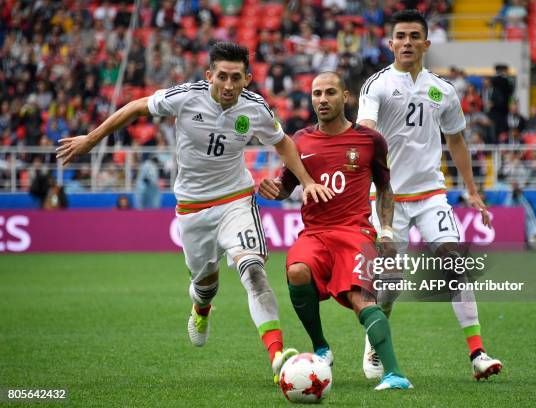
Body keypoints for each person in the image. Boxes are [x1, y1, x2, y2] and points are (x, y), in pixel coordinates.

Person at [56, 42, 333, 384]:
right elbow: (136, 107)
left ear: (247, 78)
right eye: (222, 76)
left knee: (254, 270)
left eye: (236, 77)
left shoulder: (255, 107)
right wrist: (91, 140)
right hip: (192, 207)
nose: (229, 85)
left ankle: (278, 357)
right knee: (205, 285)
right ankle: (201, 309)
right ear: (209, 75)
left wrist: (305, 182)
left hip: (236, 199)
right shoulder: (187, 96)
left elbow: (283, 142)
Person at [356, 9, 503, 381]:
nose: (406, 42)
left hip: (431, 194)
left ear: (425, 43)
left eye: (413, 36)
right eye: (400, 36)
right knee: (390, 284)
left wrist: (471, 190)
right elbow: (366, 131)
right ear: (390, 44)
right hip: (388, 200)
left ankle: (478, 354)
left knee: (455, 264)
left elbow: (456, 140)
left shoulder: (443, 90)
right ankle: (377, 341)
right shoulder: (376, 86)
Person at [259, 71, 412, 391]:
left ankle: (395, 374)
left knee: (361, 299)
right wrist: (276, 189)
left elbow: (385, 188)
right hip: (315, 233)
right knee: (297, 270)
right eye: (316, 94)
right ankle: (321, 347)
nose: (322, 100)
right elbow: (289, 185)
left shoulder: (370, 140)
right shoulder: (300, 140)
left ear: (346, 97)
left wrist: (385, 229)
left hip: (356, 233)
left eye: (330, 92)